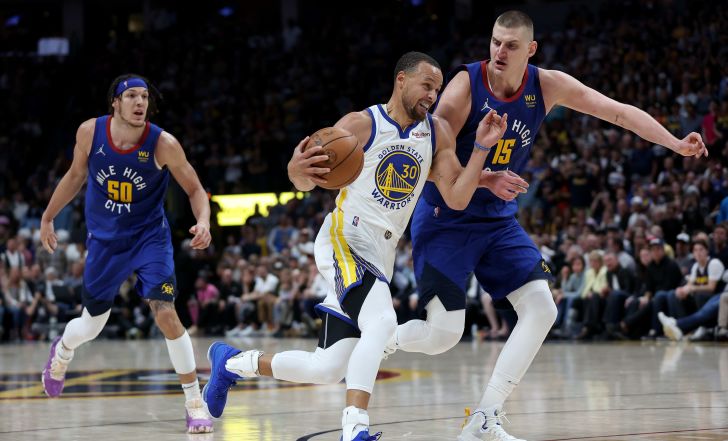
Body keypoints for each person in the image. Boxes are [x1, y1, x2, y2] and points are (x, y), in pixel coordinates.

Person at [383, 11, 708, 441]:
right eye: (495, 42)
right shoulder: (464, 86)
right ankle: (380, 339)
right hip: (447, 216)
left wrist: (675, 143)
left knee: (542, 308)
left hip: (497, 219)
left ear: (531, 49)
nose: (500, 51)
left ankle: (485, 417)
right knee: (442, 334)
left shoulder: (546, 85)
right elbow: (427, 161)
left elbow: (617, 113)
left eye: (511, 45)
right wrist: (485, 177)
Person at [202, 51, 508, 441]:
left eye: (437, 89)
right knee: (382, 322)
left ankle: (232, 363)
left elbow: (457, 198)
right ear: (401, 80)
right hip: (345, 239)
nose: (433, 96)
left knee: (326, 368)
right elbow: (307, 177)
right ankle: (354, 428)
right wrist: (296, 172)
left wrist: (480, 148)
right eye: (427, 86)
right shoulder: (361, 125)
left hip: (381, 254)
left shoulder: (437, 133)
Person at [39, 74, 213, 433]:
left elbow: (196, 189)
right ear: (115, 103)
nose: (140, 102)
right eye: (131, 95)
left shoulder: (163, 143)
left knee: (166, 313)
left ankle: (195, 403)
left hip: (149, 238)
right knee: (90, 326)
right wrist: (48, 216)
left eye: (144, 96)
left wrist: (203, 221)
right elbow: (75, 176)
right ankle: (63, 351)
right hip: (106, 242)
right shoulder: (90, 132)